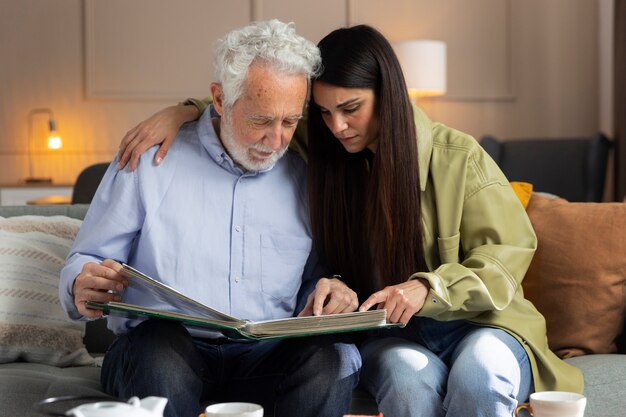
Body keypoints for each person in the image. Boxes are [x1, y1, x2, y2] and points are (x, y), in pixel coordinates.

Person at [116, 24, 584, 417]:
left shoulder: (458, 157)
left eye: (351, 109)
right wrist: (181, 112)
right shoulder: (318, 145)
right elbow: (249, 107)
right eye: (323, 113)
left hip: (484, 325)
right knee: (406, 384)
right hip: (395, 334)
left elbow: (506, 258)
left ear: (389, 95)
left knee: (479, 376)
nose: (337, 126)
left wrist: (427, 288)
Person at [59, 20, 362, 417]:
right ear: (219, 99)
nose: (277, 141)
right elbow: (86, 260)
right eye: (260, 121)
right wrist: (81, 283)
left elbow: (312, 278)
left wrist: (331, 290)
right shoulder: (147, 161)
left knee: (336, 357)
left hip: (266, 355)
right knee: (158, 351)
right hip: (162, 351)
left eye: (290, 121)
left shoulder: (305, 177)